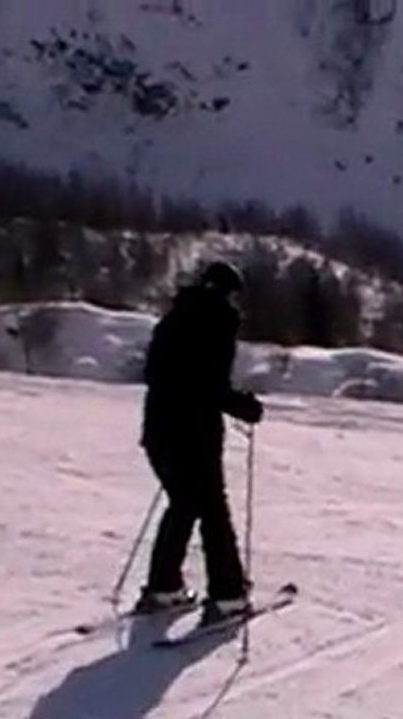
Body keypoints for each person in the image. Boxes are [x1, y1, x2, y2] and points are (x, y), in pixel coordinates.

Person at [136, 261, 264, 625]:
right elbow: (208, 384)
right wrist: (243, 406)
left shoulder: (173, 320)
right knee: (212, 511)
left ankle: (164, 587)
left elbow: (158, 375)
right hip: (194, 434)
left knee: (183, 504)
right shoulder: (219, 321)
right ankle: (228, 595)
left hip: (159, 430)